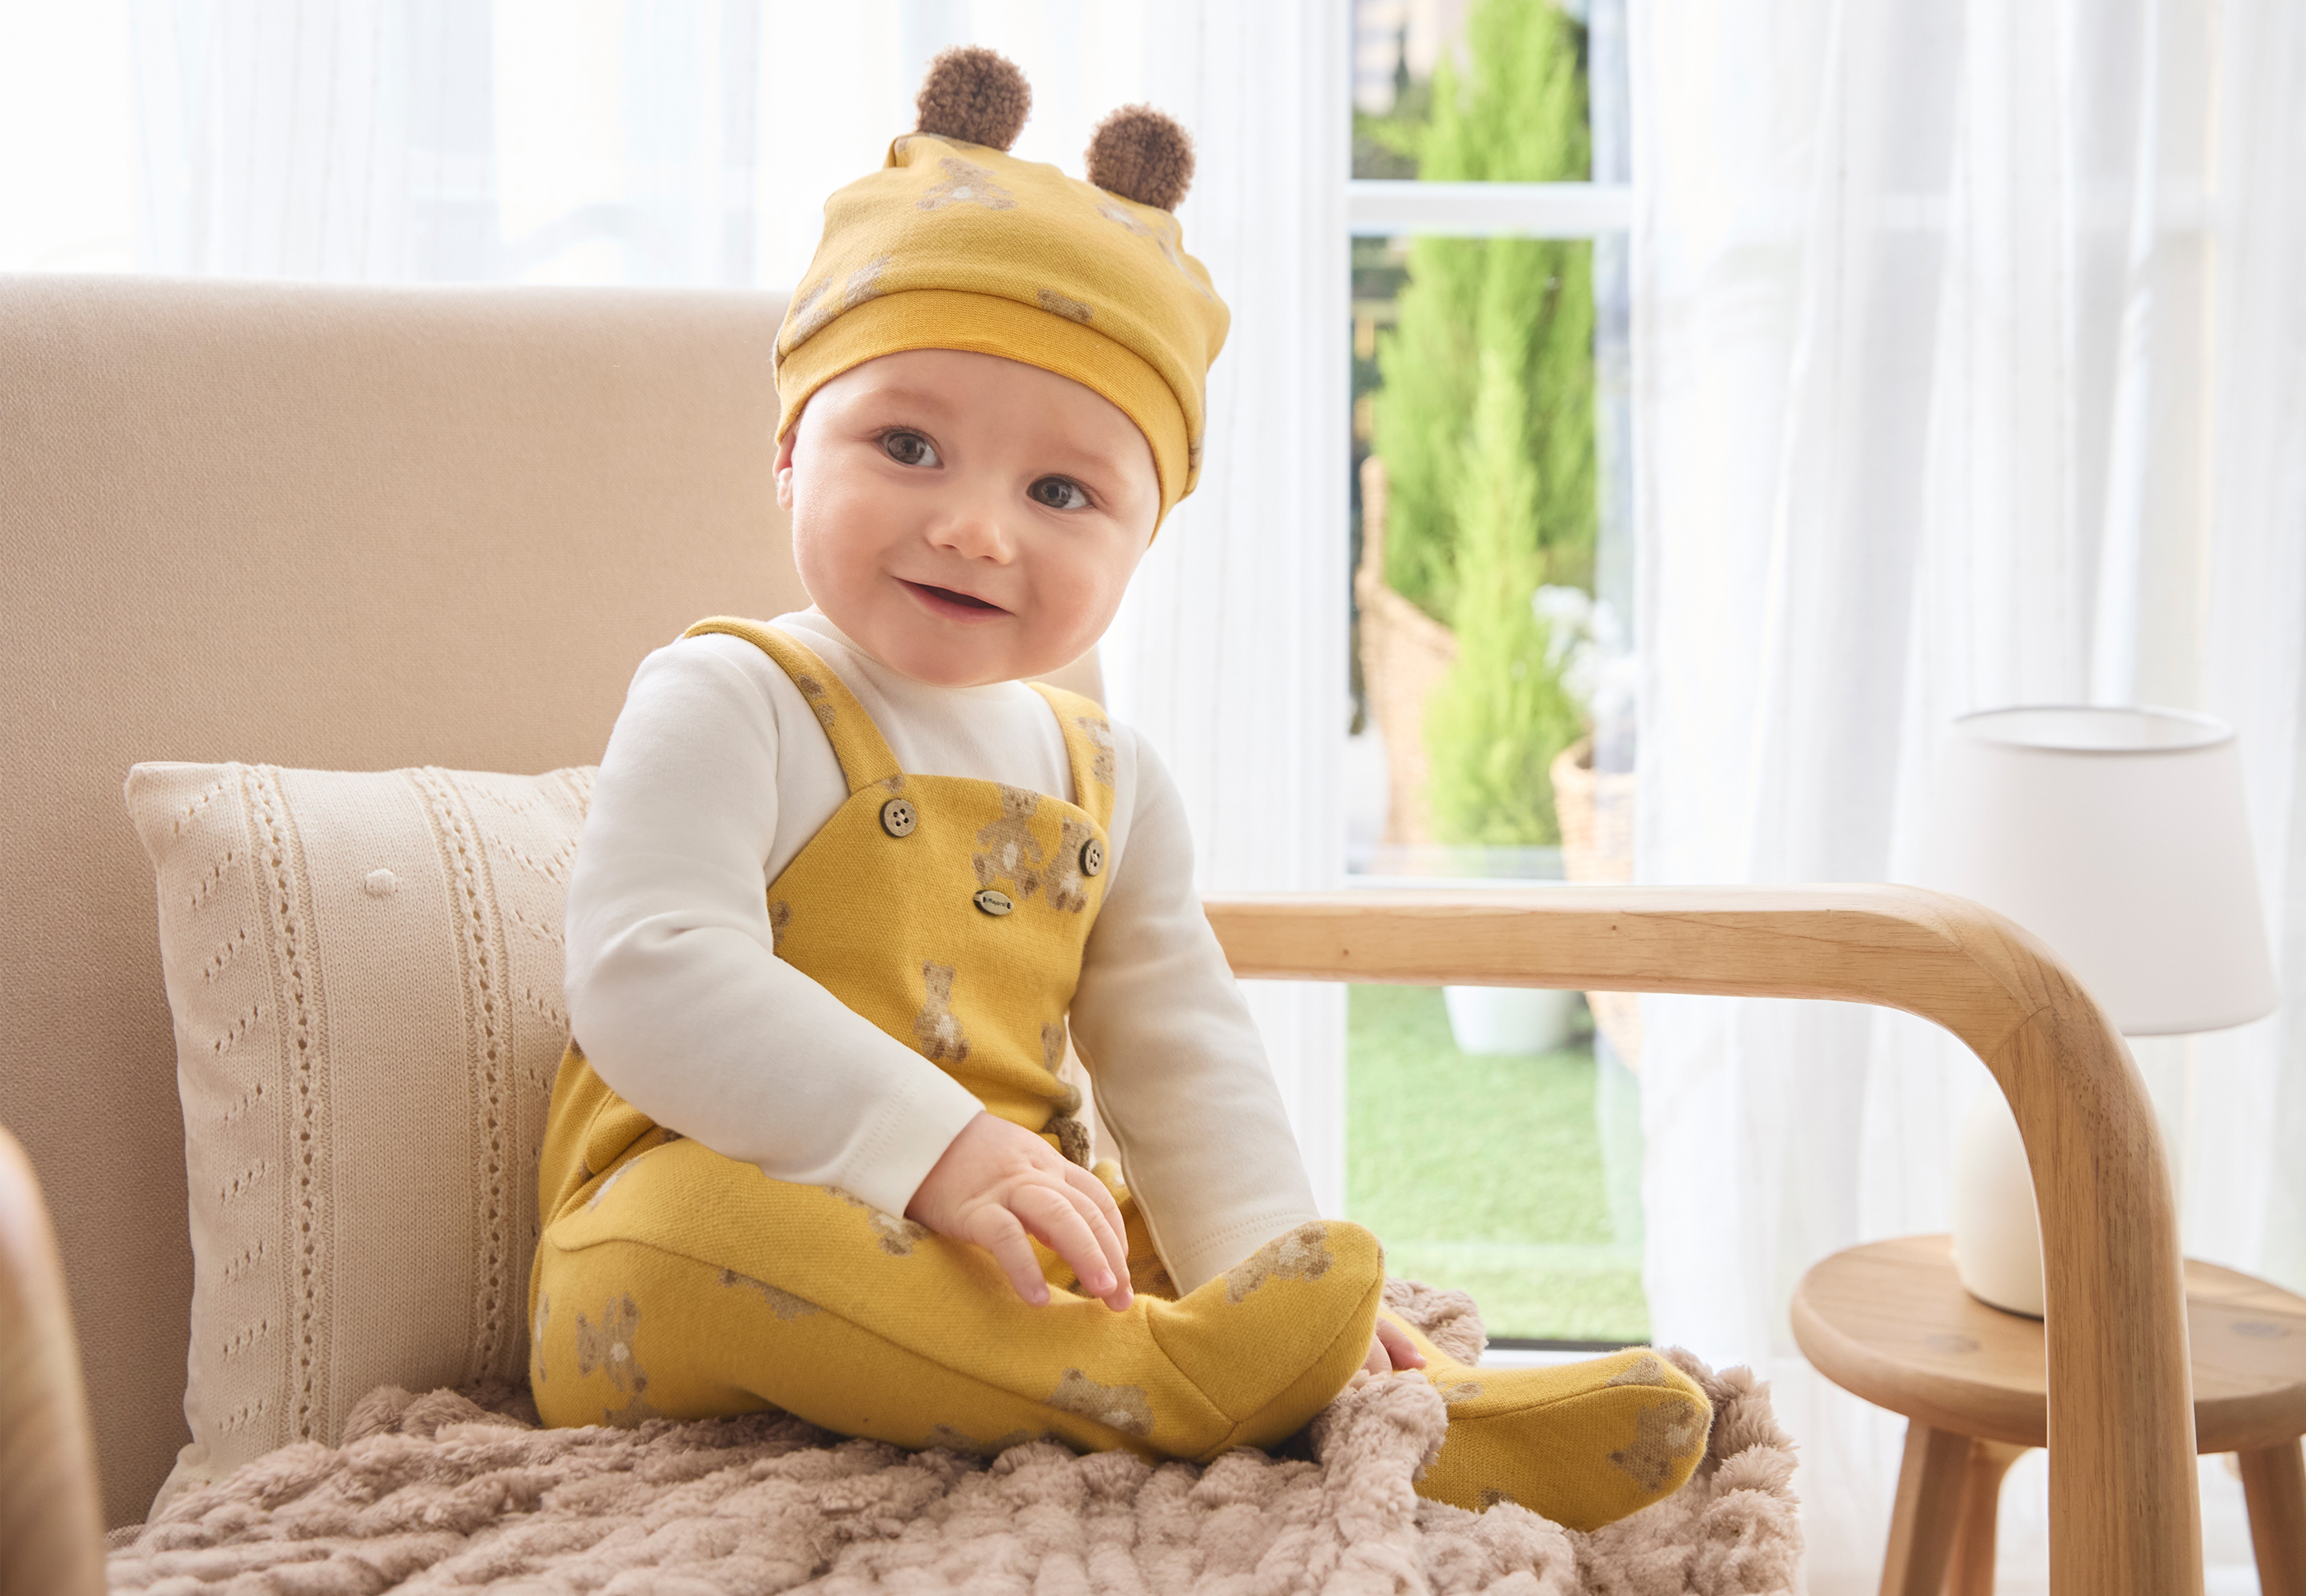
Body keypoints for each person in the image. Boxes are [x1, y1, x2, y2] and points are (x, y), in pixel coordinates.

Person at [526, 47, 1709, 1531]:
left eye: (1061, 492)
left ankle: (1388, 1401)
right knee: (710, 1228)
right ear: (787, 453)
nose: (976, 528)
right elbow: (648, 971)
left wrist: (1269, 1267)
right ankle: (1192, 1395)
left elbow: (1182, 1058)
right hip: (685, 1243)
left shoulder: (1111, 777)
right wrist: (937, 1146)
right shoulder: (732, 693)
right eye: (907, 445)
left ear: (1144, 538)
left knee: (1162, 1246)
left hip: (990, 1235)